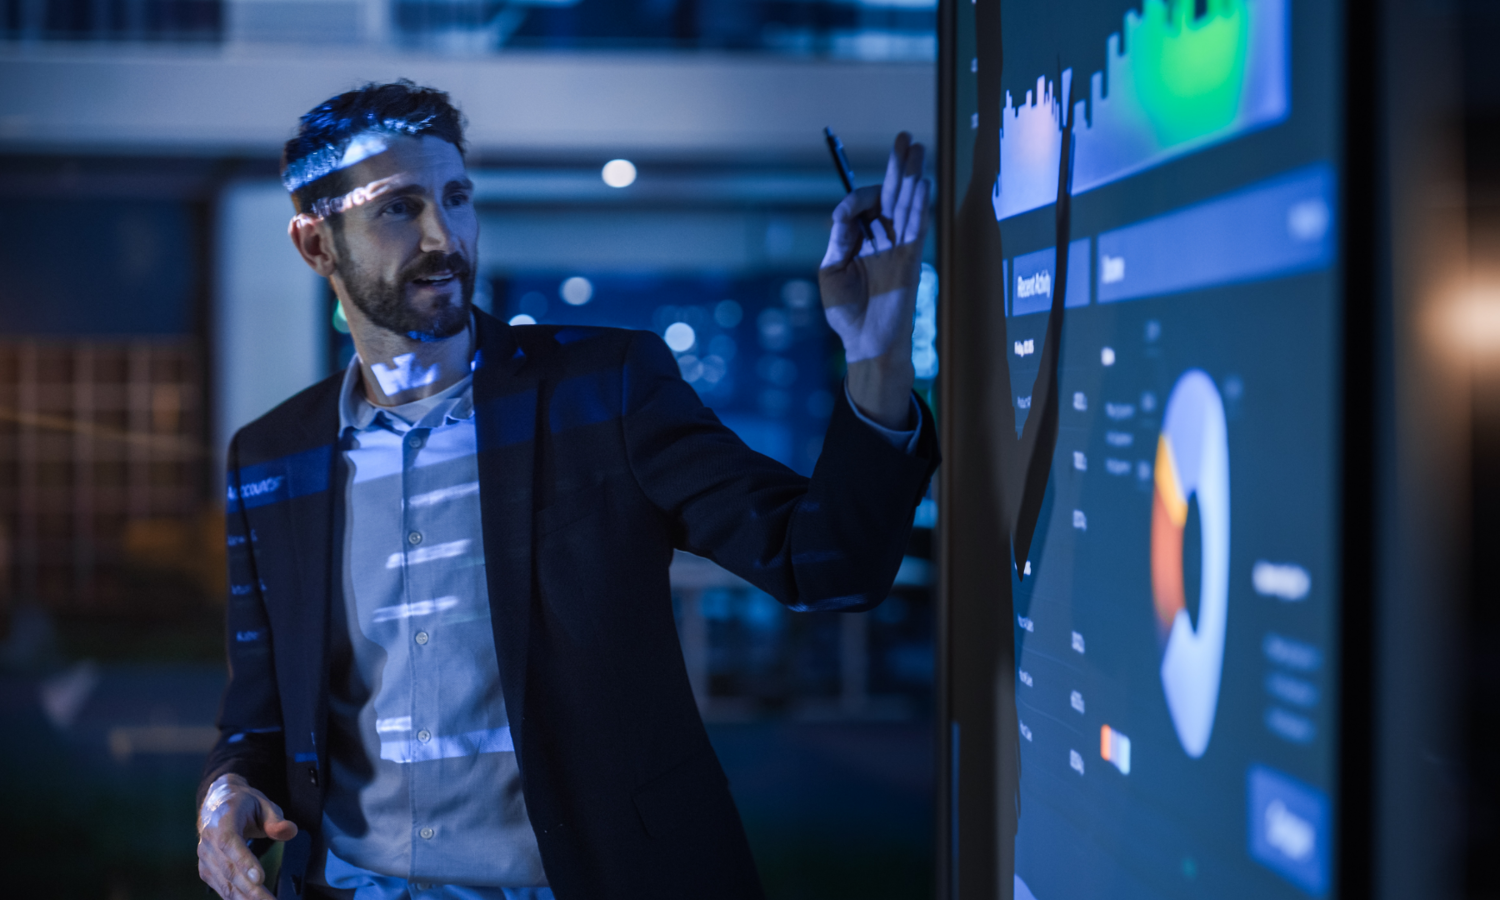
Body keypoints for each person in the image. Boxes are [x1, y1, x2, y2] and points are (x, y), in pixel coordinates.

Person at [195, 80, 937, 900]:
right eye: (399, 208)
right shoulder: (271, 457)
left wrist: (876, 357)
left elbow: (828, 562)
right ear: (316, 245)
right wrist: (226, 797)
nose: (445, 235)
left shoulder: (602, 391)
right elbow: (259, 717)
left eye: (457, 196)